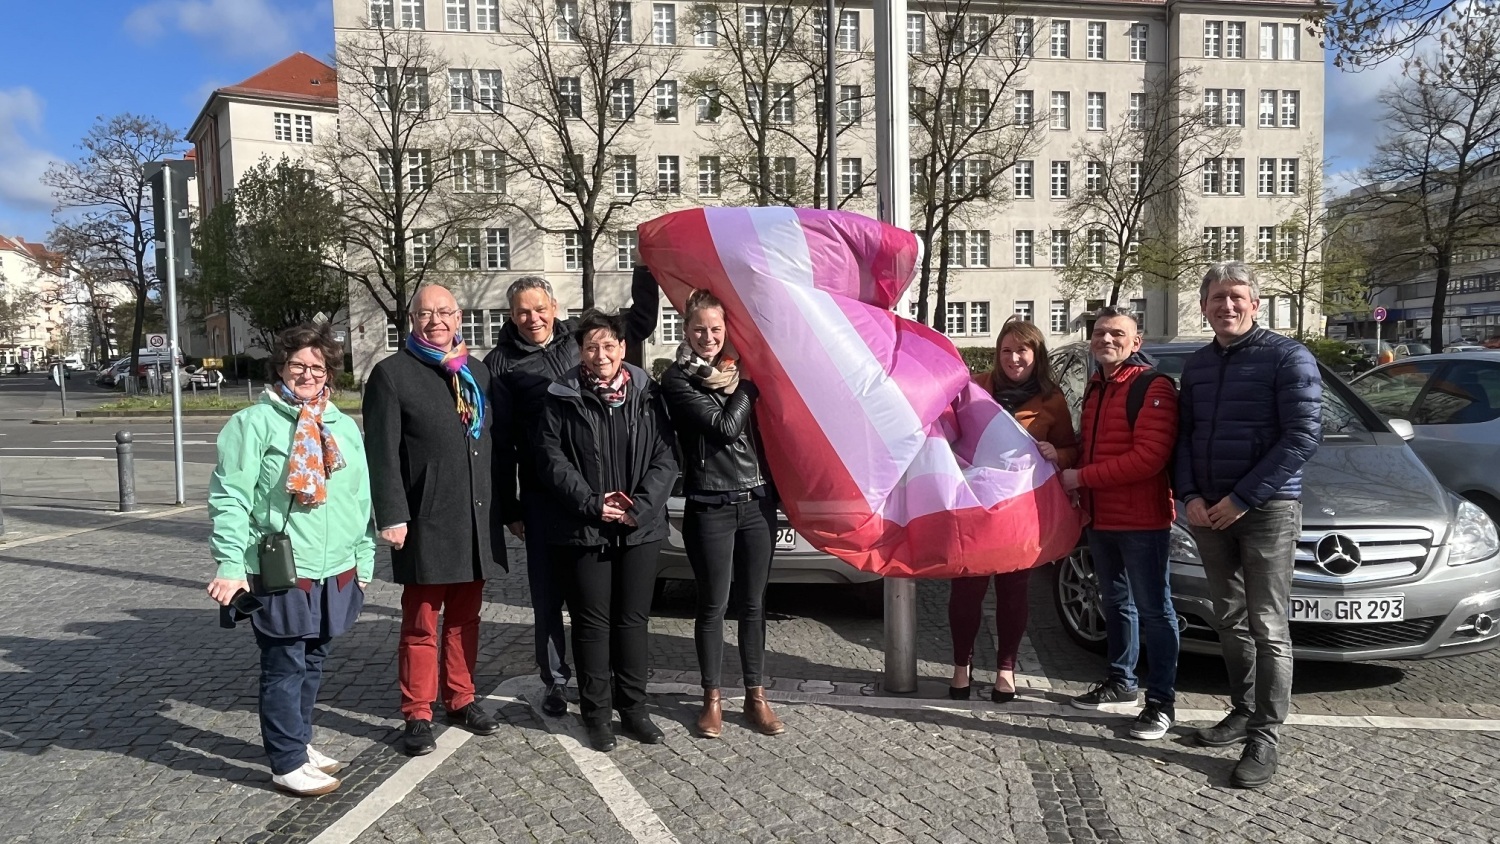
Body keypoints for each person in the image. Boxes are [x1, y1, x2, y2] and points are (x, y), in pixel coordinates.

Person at [206, 323, 374, 797]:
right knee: (285, 664)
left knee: (314, 658)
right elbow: (230, 498)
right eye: (298, 364)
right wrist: (231, 564)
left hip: (336, 567)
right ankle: (285, 760)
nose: (307, 373)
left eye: (317, 367)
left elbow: (360, 498)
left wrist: (364, 561)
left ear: (329, 375)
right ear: (281, 366)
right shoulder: (253, 424)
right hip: (283, 567)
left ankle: (298, 741)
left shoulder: (341, 426)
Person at [483, 266, 658, 718]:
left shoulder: (578, 344)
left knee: (599, 602)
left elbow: (639, 323)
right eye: (523, 313)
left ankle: (608, 683)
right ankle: (556, 681)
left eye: (540, 309)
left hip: (598, 496)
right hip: (543, 497)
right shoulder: (498, 365)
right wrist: (509, 506)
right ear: (511, 315)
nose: (532, 318)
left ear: (555, 308)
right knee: (547, 598)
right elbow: (499, 445)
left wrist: (645, 265)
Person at [1176, 262, 1321, 788]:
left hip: (1266, 510)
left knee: (1268, 625)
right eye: (1217, 298)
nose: (1227, 306)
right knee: (1230, 619)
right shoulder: (1197, 365)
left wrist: (1242, 498)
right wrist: (1189, 494)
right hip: (1209, 512)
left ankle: (1266, 734)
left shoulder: (1288, 357)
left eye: (1237, 297)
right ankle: (1241, 711)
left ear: (1255, 304)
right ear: (1204, 305)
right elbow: (1186, 436)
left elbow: (1303, 435)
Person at [364, 284, 506, 757]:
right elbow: (381, 454)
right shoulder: (392, 375)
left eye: (444, 312)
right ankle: (418, 712)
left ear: (459, 317)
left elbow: (494, 450)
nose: (436, 322)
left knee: (466, 619)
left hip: (475, 519)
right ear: (412, 319)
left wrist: (507, 509)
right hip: (425, 519)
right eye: (426, 314)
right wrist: (392, 514)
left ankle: (461, 698)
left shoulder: (477, 372)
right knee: (422, 624)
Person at [533, 310, 677, 752]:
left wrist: (641, 507)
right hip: (585, 528)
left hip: (640, 528)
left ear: (623, 349)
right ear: (580, 351)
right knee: (592, 624)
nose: (600, 356)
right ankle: (597, 713)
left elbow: (666, 456)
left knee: (632, 622)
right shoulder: (560, 396)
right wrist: (593, 504)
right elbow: (550, 459)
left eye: (608, 346)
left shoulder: (647, 396)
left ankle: (634, 709)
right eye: (591, 347)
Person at [660, 290, 785, 738]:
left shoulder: (735, 371)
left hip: (755, 504)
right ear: (686, 331)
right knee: (712, 606)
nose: (708, 337)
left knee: (754, 605)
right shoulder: (676, 380)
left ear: (726, 330)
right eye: (699, 329)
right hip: (709, 504)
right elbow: (724, 428)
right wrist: (750, 385)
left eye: (715, 329)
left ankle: (756, 696)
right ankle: (711, 699)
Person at [1059, 307, 1181, 741]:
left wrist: (1080, 476)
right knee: (1114, 604)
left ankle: (1162, 704)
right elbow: (1087, 446)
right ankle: (1121, 682)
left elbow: (1149, 459)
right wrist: (1064, 458)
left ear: (1136, 343)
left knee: (1155, 610)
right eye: (1099, 333)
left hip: (1142, 520)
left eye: (1116, 334)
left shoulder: (1153, 386)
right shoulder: (1096, 386)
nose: (1105, 340)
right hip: (1102, 518)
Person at [948, 317, 1077, 703]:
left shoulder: (1051, 398)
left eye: (1022, 350)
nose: (1014, 358)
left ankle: (1006, 669)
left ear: (1035, 355)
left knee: (1013, 590)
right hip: (975, 504)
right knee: (966, 586)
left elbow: (1071, 448)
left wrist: (1059, 453)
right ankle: (961, 667)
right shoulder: (975, 387)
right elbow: (951, 428)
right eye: (1007, 350)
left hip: (1021, 509)